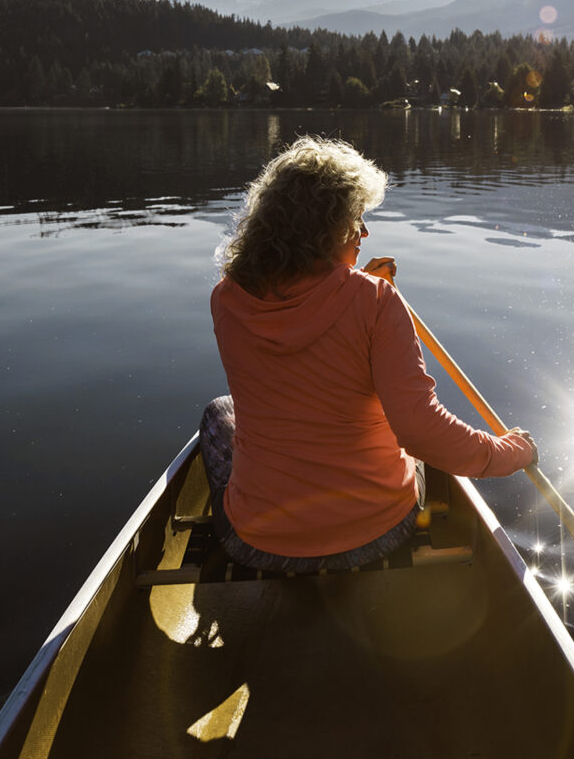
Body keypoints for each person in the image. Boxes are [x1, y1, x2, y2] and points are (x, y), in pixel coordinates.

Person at [205, 136, 537, 573]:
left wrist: (353, 283)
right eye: (356, 220)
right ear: (324, 231)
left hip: (259, 543)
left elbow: (300, 328)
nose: (364, 232)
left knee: (218, 413)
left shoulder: (227, 298)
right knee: (408, 432)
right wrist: (511, 453)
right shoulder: (376, 302)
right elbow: (420, 430)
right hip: (376, 535)